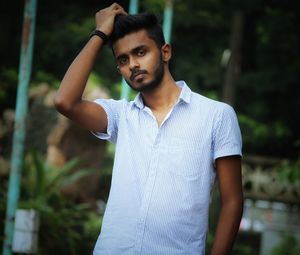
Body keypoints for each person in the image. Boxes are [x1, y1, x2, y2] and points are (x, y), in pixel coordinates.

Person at [54, 3, 243, 255]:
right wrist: (99, 34)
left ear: (165, 52)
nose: (132, 64)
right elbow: (64, 101)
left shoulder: (216, 116)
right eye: (123, 59)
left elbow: (232, 202)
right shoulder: (121, 116)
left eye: (140, 52)